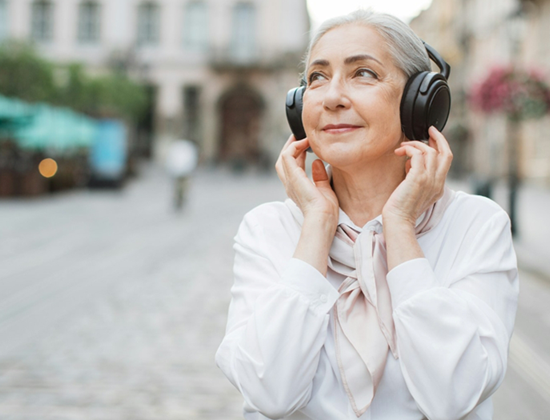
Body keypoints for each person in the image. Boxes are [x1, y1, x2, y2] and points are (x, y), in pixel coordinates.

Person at [216, 10, 518, 420]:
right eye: (317, 78)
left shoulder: (475, 225)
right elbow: (270, 393)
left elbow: (454, 395)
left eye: (363, 74)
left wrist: (400, 229)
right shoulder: (268, 229)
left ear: (420, 102)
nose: (332, 96)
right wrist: (317, 227)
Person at [165, 139, 198, 210]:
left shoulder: (180, 147)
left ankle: (180, 200)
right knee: (180, 187)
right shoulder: (187, 148)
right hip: (182, 171)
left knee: (181, 187)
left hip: (181, 171)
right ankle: (179, 200)